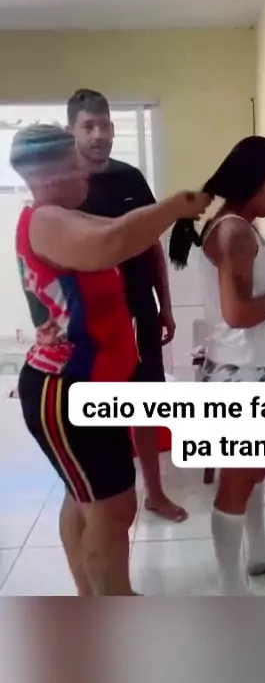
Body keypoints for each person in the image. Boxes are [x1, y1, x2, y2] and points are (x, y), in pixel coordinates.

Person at [11, 123, 210, 595]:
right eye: (75, 163)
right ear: (50, 174)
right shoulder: (46, 220)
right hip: (66, 389)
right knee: (113, 510)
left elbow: (116, 230)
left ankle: (93, 599)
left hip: (88, 385)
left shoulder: (62, 215)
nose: (87, 172)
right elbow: (110, 244)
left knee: (88, 500)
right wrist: (174, 207)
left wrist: (167, 213)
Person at [169, 135, 265, 595]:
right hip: (242, 375)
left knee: (249, 473)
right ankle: (232, 589)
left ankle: (260, 553)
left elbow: (243, 298)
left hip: (254, 369)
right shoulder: (233, 231)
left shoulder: (241, 227)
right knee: (236, 481)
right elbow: (237, 313)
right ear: (252, 180)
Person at [67, 89, 185, 522]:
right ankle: (97, 498)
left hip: (139, 312)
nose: (98, 134)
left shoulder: (130, 178)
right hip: (89, 321)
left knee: (147, 402)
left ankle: (154, 492)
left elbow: (152, 246)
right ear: (72, 130)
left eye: (104, 125)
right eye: (88, 126)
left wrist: (165, 305)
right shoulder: (66, 188)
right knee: (96, 412)